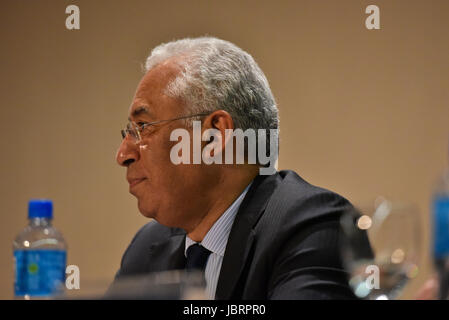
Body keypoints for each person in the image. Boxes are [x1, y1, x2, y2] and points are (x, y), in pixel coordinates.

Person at [112, 36, 365, 299]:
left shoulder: (314, 226)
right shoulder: (147, 247)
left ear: (213, 135)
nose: (123, 155)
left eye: (142, 127)